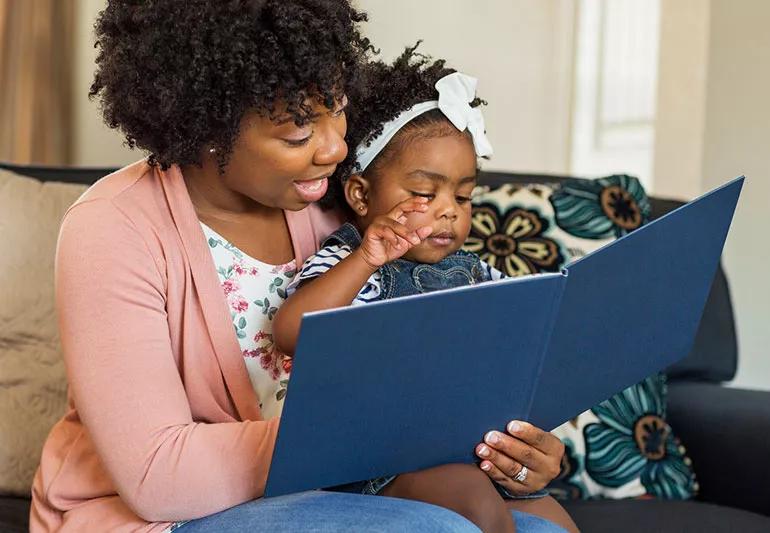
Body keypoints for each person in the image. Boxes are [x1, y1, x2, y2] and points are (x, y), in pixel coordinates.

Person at [30, 2, 570, 532]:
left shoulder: (340, 204)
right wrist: (378, 436)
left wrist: (508, 449)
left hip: (340, 484)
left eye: (338, 107)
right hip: (166, 515)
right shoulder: (113, 227)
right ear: (210, 128)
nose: (335, 148)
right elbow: (157, 477)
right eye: (297, 133)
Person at [273, 47, 578, 533]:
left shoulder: (475, 271)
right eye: (424, 193)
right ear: (361, 195)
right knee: (472, 500)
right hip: (381, 465)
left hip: (472, 447)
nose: (449, 211)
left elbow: (529, 331)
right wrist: (366, 259)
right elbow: (292, 331)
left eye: (462, 196)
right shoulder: (352, 260)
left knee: (553, 519)